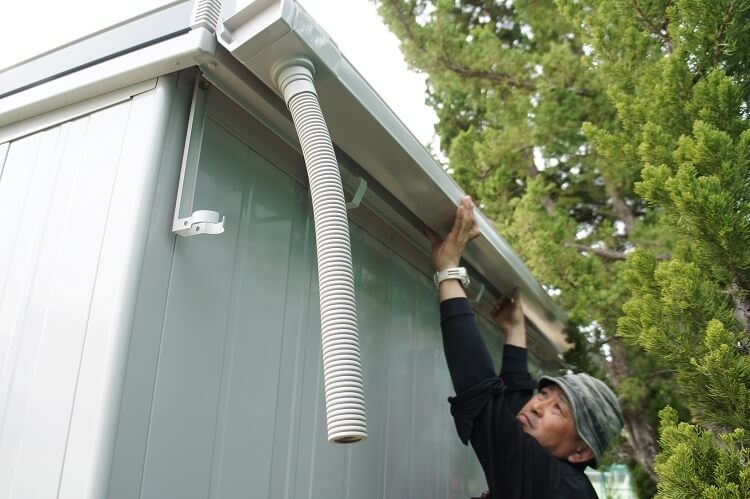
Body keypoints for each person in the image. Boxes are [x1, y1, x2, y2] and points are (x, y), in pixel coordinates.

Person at [427, 196, 624, 499]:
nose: (537, 406)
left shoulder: (551, 484)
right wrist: (515, 332)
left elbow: (486, 405)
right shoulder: (565, 484)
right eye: (544, 395)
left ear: (581, 451)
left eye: (558, 408)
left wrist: (449, 270)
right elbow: (510, 414)